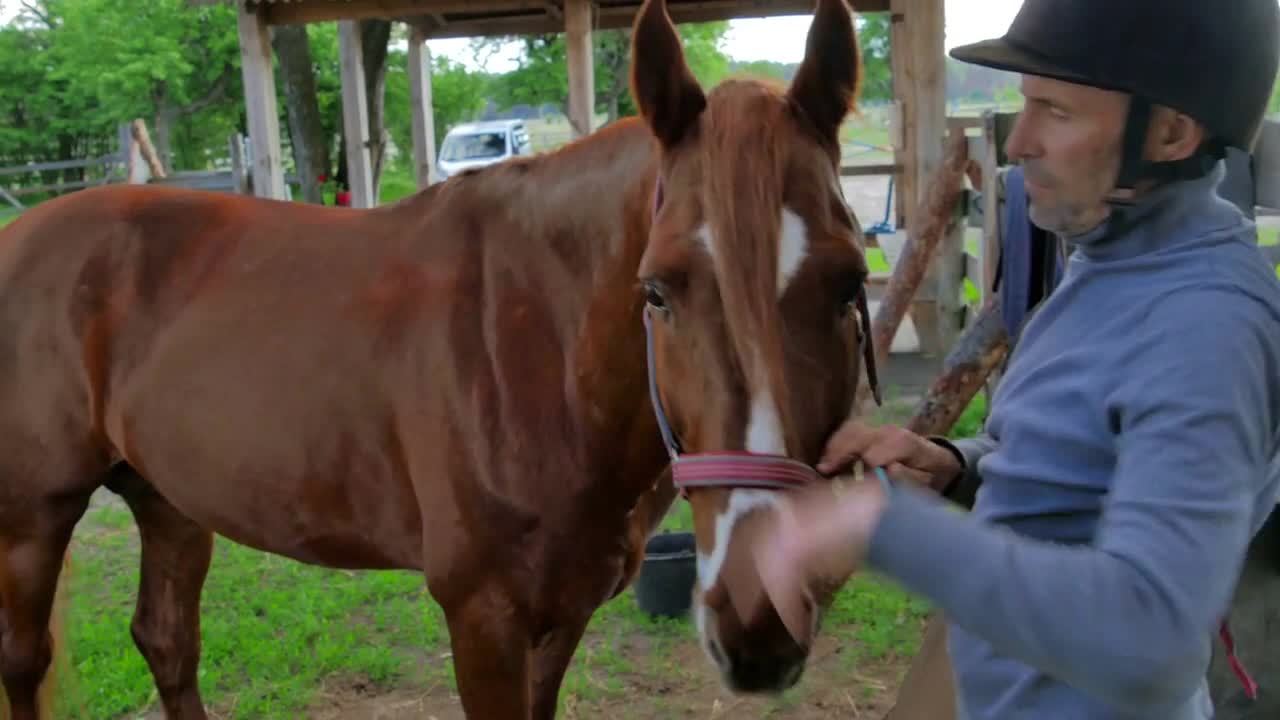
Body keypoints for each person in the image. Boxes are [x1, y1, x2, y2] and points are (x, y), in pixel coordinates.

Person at [744, 1, 1280, 718]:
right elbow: (1093, 460)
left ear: (1171, 133)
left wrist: (878, 527)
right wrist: (959, 465)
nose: (1021, 141)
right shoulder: (1117, 258)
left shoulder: (1203, 325)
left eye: (1055, 111)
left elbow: (1150, 642)